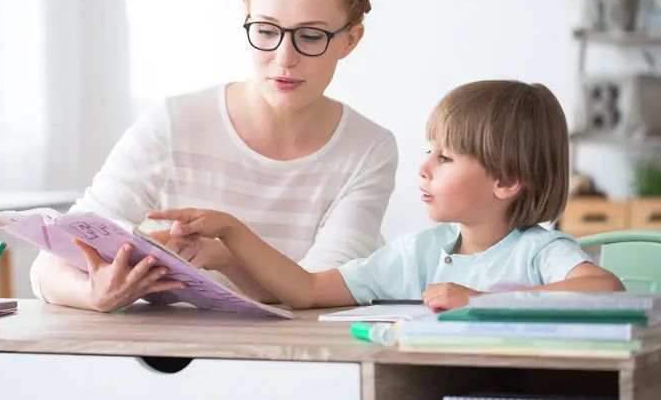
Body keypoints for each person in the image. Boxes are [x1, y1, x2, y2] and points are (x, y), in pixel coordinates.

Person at [29, 0, 399, 312]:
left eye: (310, 36)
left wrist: (226, 253)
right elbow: (51, 263)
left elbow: (321, 290)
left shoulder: (368, 148)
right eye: (266, 31)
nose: (284, 57)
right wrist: (95, 294)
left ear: (350, 40)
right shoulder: (174, 123)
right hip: (169, 359)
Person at [149, 80, 625, 313]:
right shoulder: (418, 253)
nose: (423, 167)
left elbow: (606, 289)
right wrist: (228, 243)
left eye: (446, 158)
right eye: (428, 151)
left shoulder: (540, 252)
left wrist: (478, 301)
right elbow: (305, 291)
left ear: (505, 181)